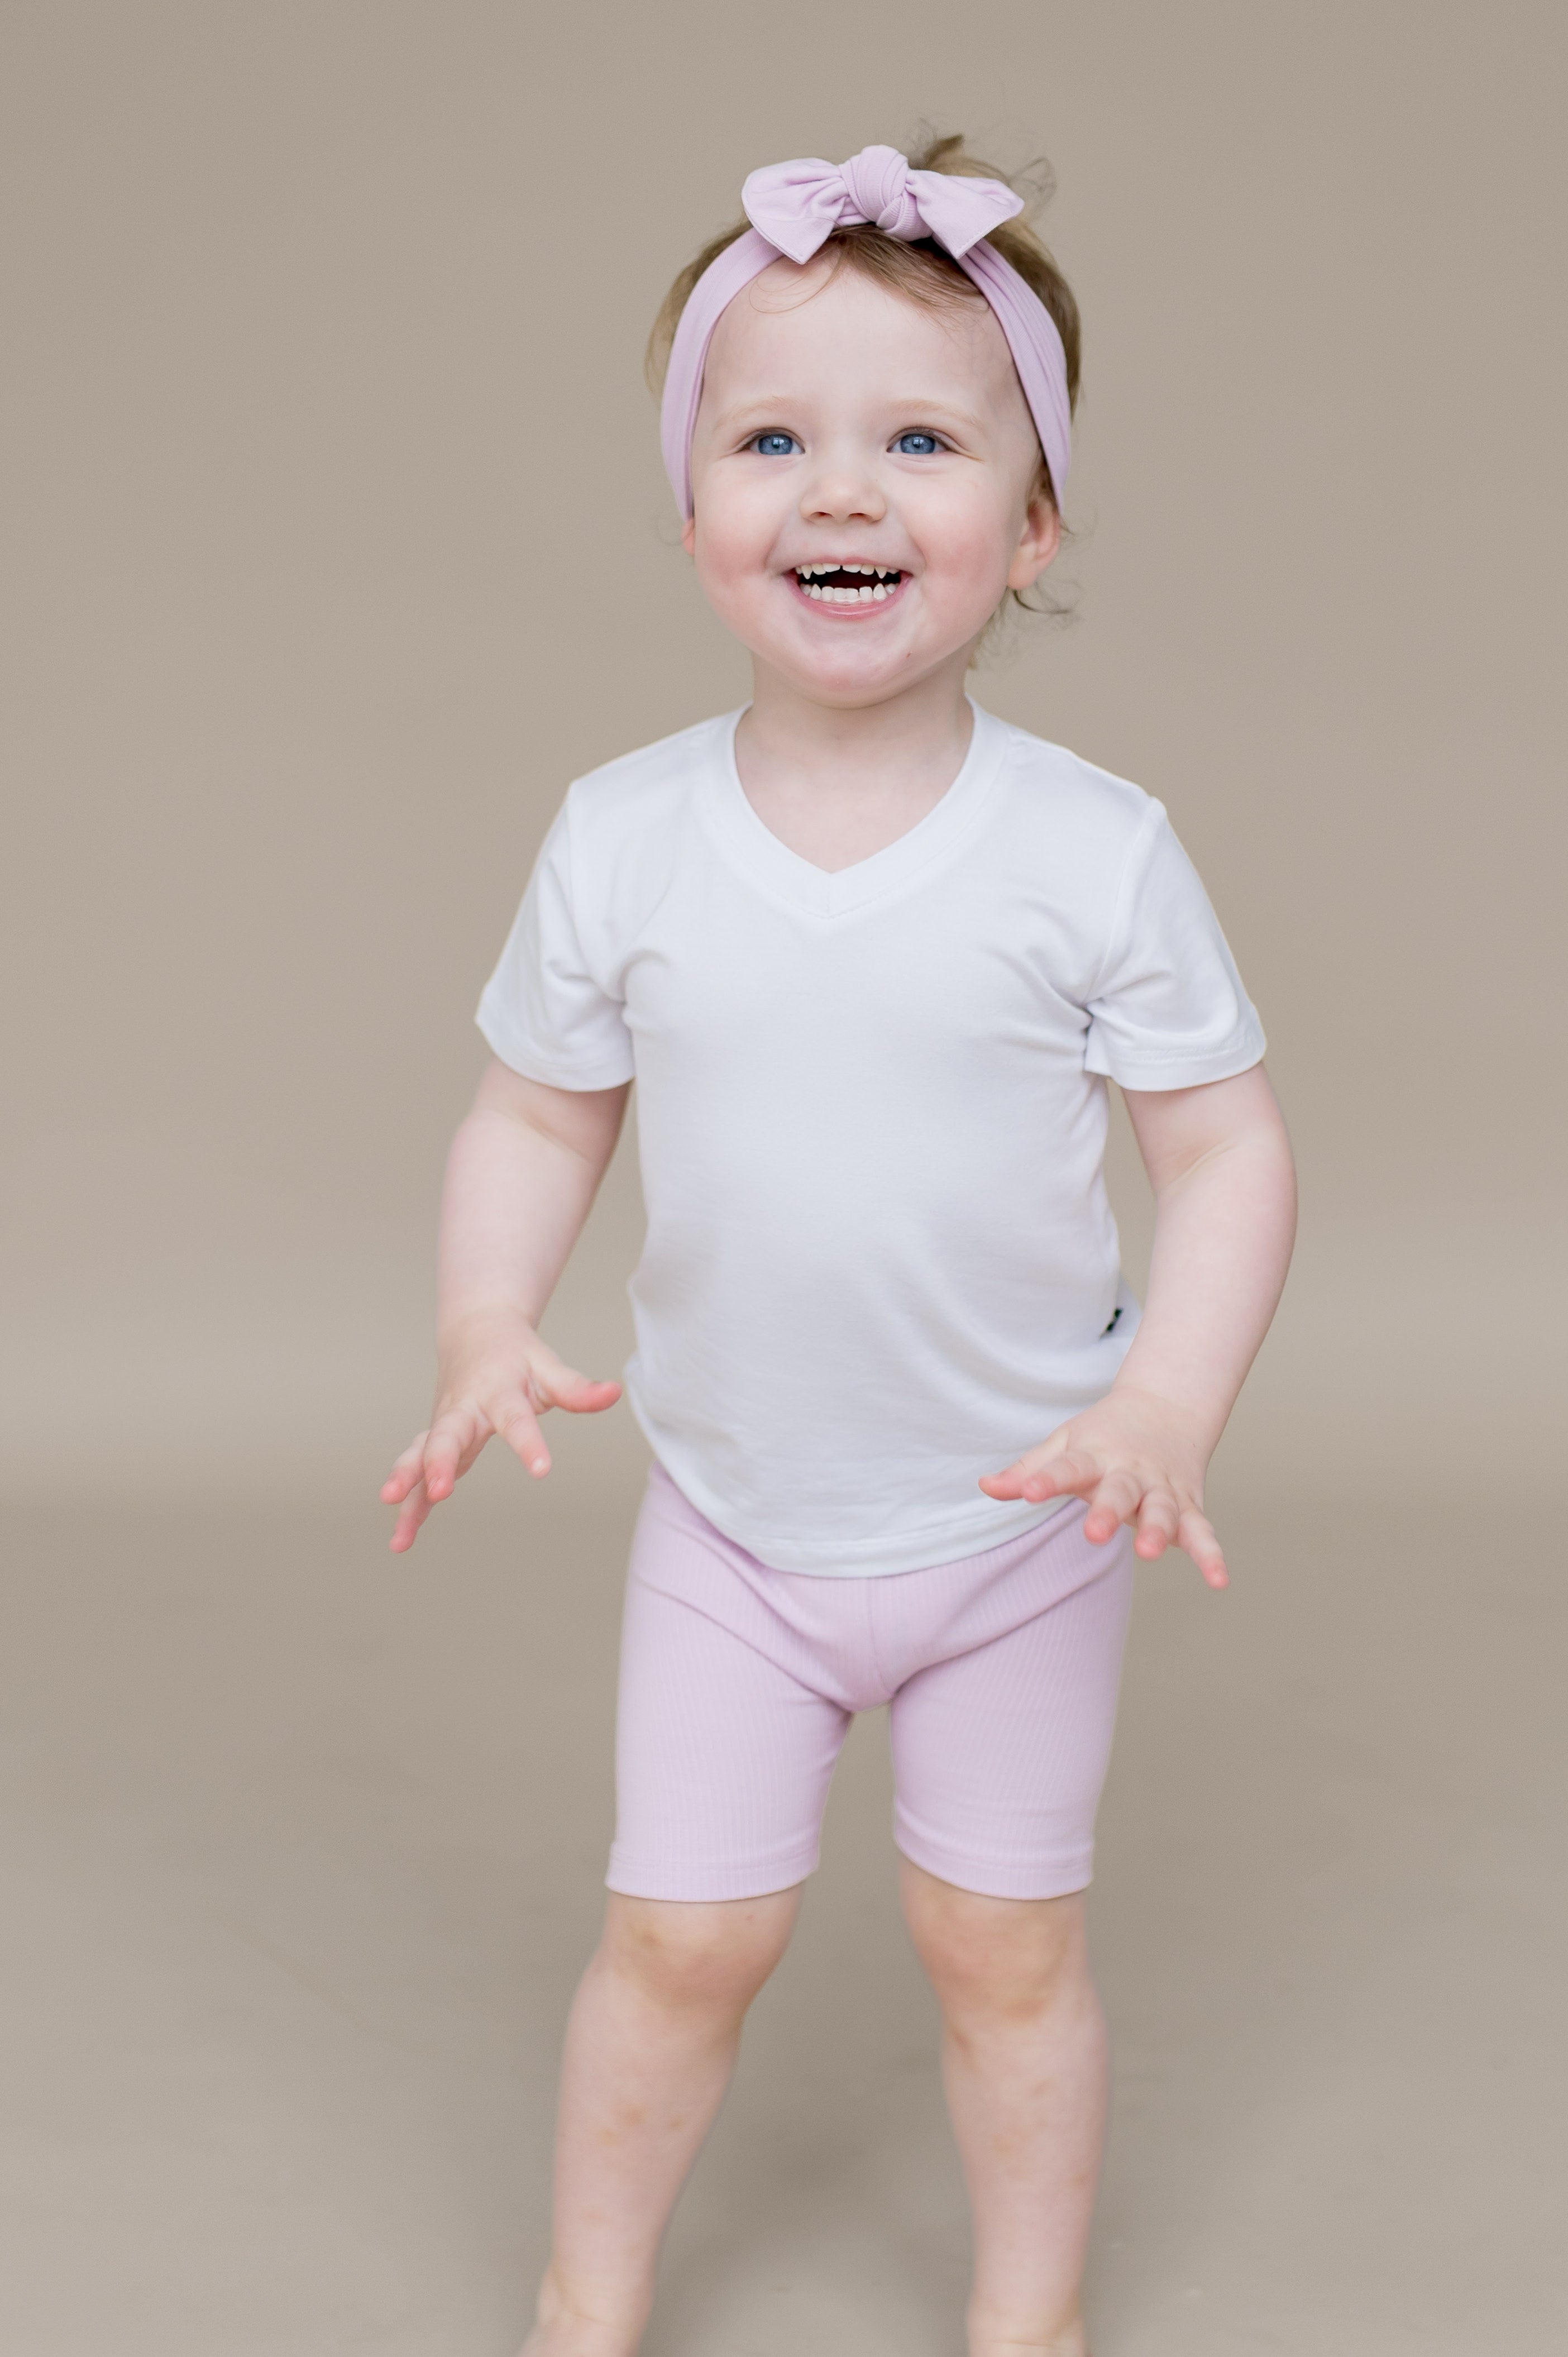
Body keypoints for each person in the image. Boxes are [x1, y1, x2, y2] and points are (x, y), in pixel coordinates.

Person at [383, 135, 1297, 2357]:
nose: (840, 491)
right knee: (685, 1940)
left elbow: (1231, 1144)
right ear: (689, 501)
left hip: (1023, 1521)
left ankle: (1029, 2315)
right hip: (740, 1524)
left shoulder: (1093, 852)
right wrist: (487, 1314)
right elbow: (533, 1105)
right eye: (770, 437)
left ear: (1037, 519)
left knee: (1007, 1948)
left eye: (922, 438)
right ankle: (586, 2294)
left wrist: (1166, 1395)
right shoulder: (625, 835)